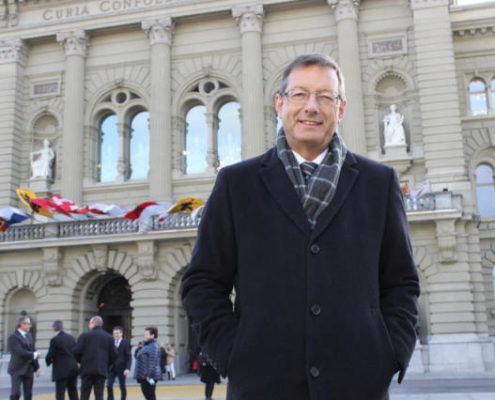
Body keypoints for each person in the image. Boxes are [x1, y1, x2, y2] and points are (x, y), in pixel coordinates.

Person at [181, 53, 420, 400]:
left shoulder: (379, 182)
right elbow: (202, 282)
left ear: (341, 109)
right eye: (300, 95)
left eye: (325, 96)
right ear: (280, 104)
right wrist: (233, 353)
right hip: (262, 386)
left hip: (358, 385)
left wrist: (391, 352)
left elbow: (401, 282)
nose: (312, 106)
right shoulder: (237, 184)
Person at [74, 316, 116, 400]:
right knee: (99, 395)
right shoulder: (109, 337)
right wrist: (106, 364)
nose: (89, 325)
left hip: (86, 369)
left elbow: (76, 352)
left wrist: (81, 362)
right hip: (101, 369)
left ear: (93, 323)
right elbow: (114, 355)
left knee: (84, 394)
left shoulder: (84, 336)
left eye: (89, 323)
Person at [7, 315, 41, 400]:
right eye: (28, 324)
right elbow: (20, 352)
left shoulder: (29, 335)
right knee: (16, 393)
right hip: (17, 369)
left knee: (28, 394)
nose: (30, 326)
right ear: (22, 324)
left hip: (29, 369)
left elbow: (33, 350)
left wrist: (36, 367)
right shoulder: (13, 337)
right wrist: (34, 355)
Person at [45, 320, 79, 400]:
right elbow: (76, 351)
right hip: (73, 368)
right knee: (73, 391)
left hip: (61, 369)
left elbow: (51, 353)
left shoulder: (55, 340)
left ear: (53, 328)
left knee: (60, 392)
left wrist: (48, 361)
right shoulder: (71, 338)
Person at [134, 327, 162, 400]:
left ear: (152, 335)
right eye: (145, 334)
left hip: (149, 376)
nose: (145, 335)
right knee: (150, 394)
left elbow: (152, 362)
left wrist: (148, 375)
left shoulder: (153, 346)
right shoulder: (148, 345)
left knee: (149, 394)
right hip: (147, 376)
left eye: (147, 334)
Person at [107, 326, 132, 400]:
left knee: (122, 386)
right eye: (114, 333)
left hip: (122, 368)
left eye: (117, 333)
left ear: (121, 334)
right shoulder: (110, 342)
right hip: (112, 368)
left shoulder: (125, 343)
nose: (115, 335)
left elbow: (129, 357)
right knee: (109, 384)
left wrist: (127, 368)